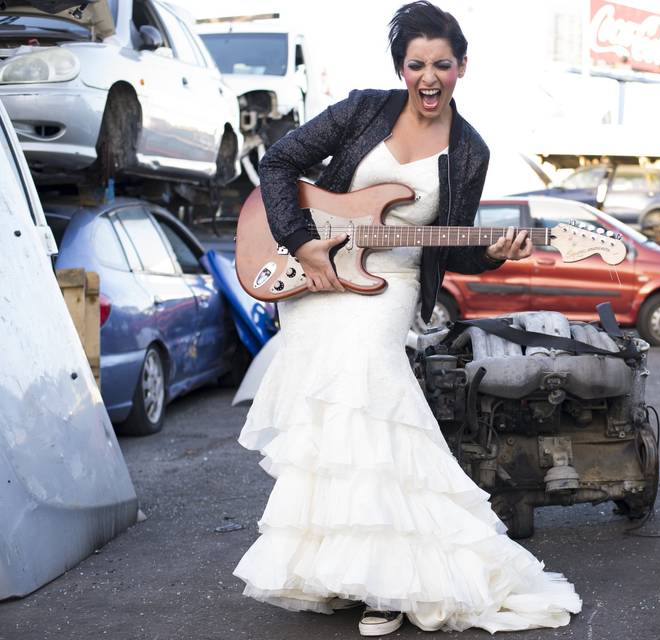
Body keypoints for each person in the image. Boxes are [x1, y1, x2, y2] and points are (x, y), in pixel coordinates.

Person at [232, 2, 582, 635]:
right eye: (416, 64)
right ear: (402, 67)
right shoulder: (365, 108)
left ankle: (389, 585)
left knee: (373, 397)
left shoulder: (470, 150)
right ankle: (341, 569)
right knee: (332, 421)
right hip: (318, 275)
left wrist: (495, 254)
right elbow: (279, 163)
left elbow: (452, 248)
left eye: (441, 64)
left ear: (461, 67)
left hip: (389, 284)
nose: (428, 76)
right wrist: (304, 241)